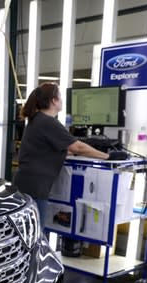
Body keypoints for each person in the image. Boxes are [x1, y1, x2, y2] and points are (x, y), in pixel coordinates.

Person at [12, 82, 127, 227]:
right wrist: (108, 157)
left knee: (29, 231)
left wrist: (74, 152)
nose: (61, 100)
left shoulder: (37, 119)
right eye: (60, 97)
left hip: (27, 185)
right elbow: (77, 147)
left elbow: (49, 149)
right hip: (35, 188)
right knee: (35, 234)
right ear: (53, 100)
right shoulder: (47, 122)